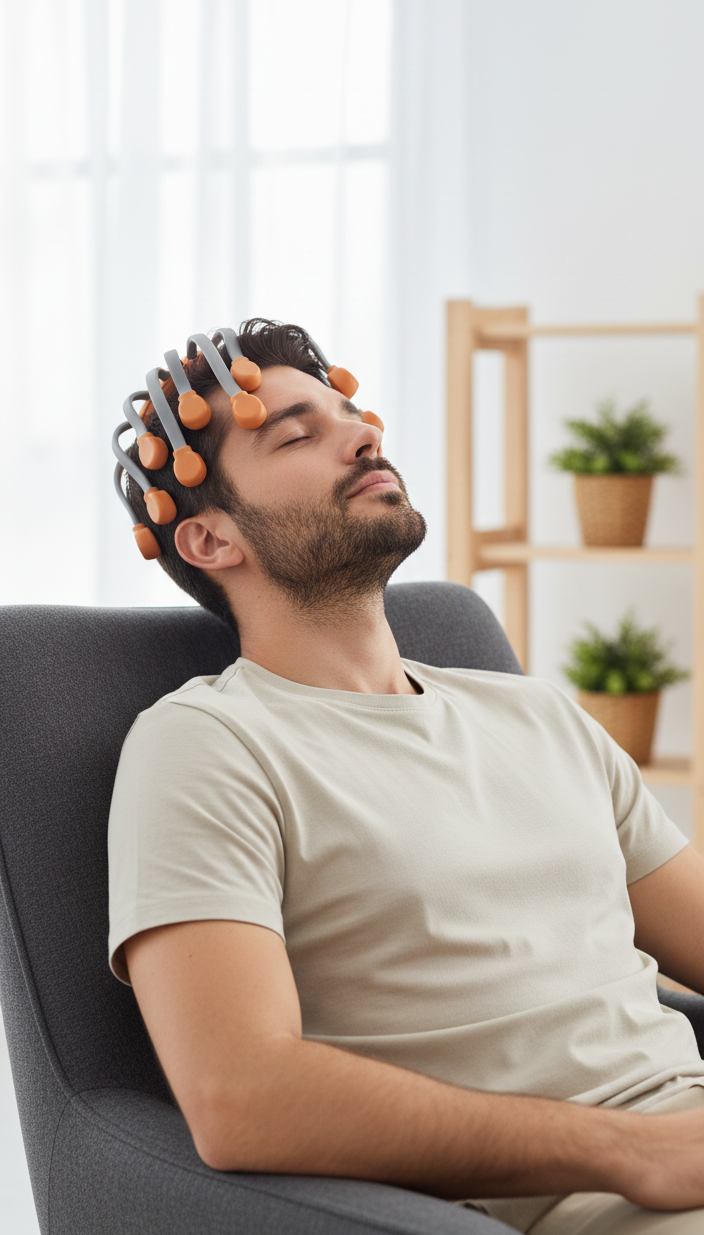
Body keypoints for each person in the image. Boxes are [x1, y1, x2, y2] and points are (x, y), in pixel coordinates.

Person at [109, 319, 704, 1235]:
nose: (365, 433)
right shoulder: (205, 746)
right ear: (210, 540)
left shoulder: (533, 713)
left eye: (352, 412)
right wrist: (628, 1151)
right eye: (298, 433)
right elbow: (240, 1096)